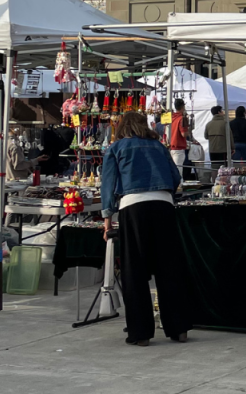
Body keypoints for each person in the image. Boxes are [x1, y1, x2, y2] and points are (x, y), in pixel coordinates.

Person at [100, 111, 191, 346]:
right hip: (163, 205)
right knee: (169, 268)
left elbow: (108, 184)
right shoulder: (158, 146)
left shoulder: (117, 148)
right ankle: (178, 328)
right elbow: (175, 177)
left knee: (135, 270)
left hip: (133, 206)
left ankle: (141, 333)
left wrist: (107, 217)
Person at [168, 99, 191, 174]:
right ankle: (179, 185)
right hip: (179, 148)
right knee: (178, 171)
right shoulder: (182, 119)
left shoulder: (171, 117)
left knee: (172, 170)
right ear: (183, 107)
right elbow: (183, 134)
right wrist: (188, 131)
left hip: (171, 147)